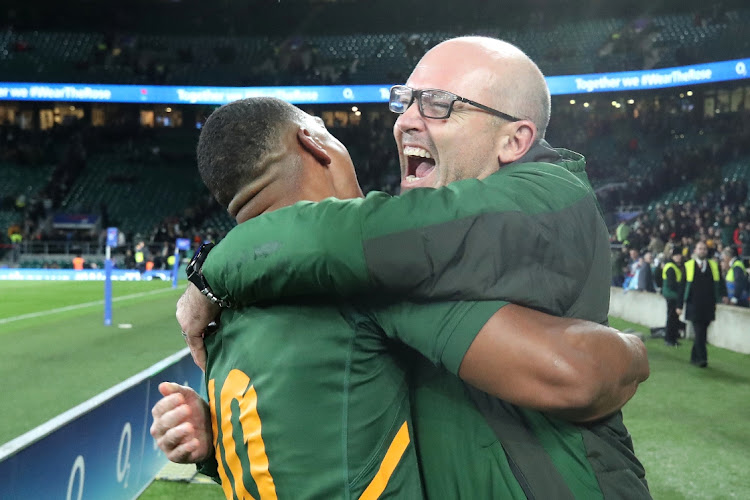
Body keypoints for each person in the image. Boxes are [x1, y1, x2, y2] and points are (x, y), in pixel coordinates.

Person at [173, 37, 651, 498]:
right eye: (405, 102)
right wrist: (216, 448)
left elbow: (358, 236)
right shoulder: (364, 285)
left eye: (439, 104)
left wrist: (212, 274)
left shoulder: (550, 193)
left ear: (515, 139)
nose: (405, 122)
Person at [683, 242, 721, 367]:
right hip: (694, 305)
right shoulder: (688, 265)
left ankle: (694, 356)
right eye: (700, 248)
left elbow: (719, 283)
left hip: (708, 306)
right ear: (695, 250)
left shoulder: (714, 266)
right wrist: (679, 305)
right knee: (700, 332)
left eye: (704, 249)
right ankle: (702, 358)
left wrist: (722, 297)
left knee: (702, 333)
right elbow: (682, 287)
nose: (702, 251)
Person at [662, 249, 684, 346]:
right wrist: (680, 286)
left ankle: (672, 338)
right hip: (672, 295)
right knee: (672, 318)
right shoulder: (671, 267)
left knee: (673, 318)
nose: (679, 257)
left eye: (679, 255)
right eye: (677, 255)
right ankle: (670, 339)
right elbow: (672, 284)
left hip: (671, 295)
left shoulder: (673, 266)